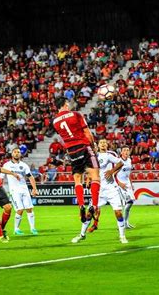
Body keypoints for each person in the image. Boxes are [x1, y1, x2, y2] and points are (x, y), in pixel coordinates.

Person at [52, 97, 100, 242]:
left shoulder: (55, 122)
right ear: (66, 104)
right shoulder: (76, 114)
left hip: (71, 151)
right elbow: (87, 133)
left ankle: (81, 205)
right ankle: (94, 205)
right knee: (95, 176)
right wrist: (93, 146)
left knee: (77, 179)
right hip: (83, 146)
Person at [86, 139, 127, 243]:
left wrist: (112, 173)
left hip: (111, 186)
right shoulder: (94, 156)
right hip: (99, 186)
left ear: (107, 144)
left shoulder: (111, 154)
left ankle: (122, 235)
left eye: (104, 142)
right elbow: (92, 170)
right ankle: (93, 225)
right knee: (93, 209)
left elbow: (119, 164)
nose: (103, 144)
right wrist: (88, 179)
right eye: (101, 143)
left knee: (118, 211)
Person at [1, 148, 39, 236]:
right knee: (20, 209)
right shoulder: (6, 165)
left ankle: (33, 228)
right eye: (15, 152)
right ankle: (16, 229)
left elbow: (30, 177)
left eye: (18, 152)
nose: (17, 154)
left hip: (24, 189)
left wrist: (34, 188)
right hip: (14, 191)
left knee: (29, 208)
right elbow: (1, 178)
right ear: (12, 154)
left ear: (20, 154)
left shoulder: (24, 165)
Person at [116, 146, 136, 229]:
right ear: (121, 152)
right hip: (121, 185)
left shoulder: (129, 160)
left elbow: (128, 174)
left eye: (128, 150)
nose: (126, 152)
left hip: (127, 184)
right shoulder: (118, 161)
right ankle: (123, 223)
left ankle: (126, 223)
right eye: (124, 150)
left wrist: (131, 183)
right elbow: (113, 174)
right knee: (128, 202)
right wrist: (119, 183)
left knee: (130, 203)